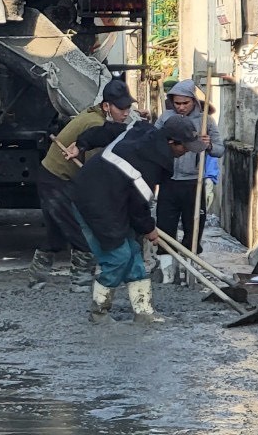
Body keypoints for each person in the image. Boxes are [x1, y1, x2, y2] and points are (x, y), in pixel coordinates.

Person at [71, 115, 207, 323]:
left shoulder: (142, 131)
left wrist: (84, 142)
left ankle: (143, 311)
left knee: (134, 254)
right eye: (185, 146)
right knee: (117, 256)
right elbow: (138, 206)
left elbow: (108, 131)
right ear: (171, 141)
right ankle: (99, 312)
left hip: (114, 196)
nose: (187, 151)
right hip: (93, 202)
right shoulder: (148, 165)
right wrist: (149, 228)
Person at [29, 78, 138, 292]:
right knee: (81, 232)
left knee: (56, 234)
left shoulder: (94, 114)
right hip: (56, 179)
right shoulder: (95, 125)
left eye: (128, 108)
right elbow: (96, 171)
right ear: (106, 106)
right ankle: (80, 284)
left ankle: (36, 279)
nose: (126, 113)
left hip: (52, 176)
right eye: (121, 108)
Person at [154, 78, 225, 281]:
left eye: (185, 103)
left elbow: (220, 150)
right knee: (165, 228)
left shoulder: (205, 121)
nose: (181, 107)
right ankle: (167, 274)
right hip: (168, 181)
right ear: (171, 102)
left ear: (194, 101)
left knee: (193, 229)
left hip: (194, 183)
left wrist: (209, 145)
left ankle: (189, 273)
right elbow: (151, 141)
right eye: (177, 103)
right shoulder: (165, 118)